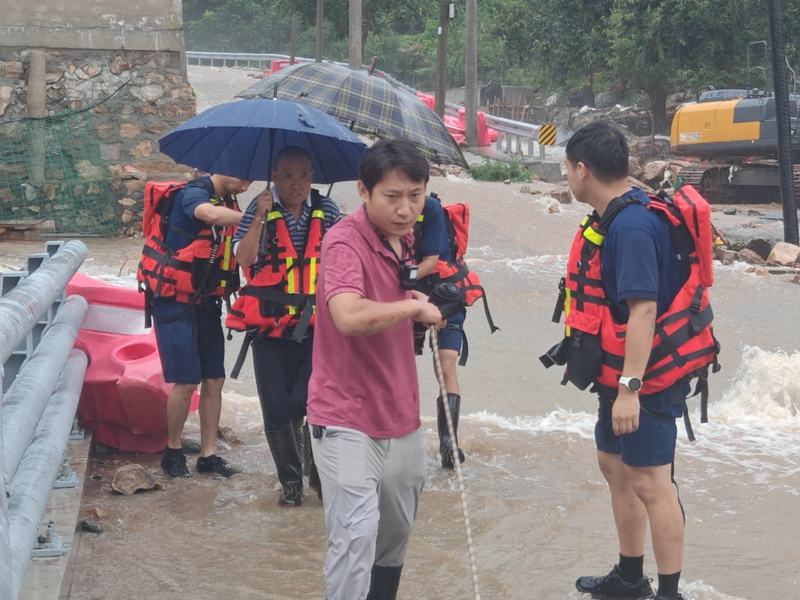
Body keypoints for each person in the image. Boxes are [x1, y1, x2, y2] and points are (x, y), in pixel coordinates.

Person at [544, 121, 718, 600]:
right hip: (618, 373)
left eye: (567, 167)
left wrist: (629, 390)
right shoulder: (615, 213)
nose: (566, 175)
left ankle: (669, 593)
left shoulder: (634, 227)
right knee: (615, 467)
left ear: (582, 169)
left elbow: (643, 313)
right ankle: (628, 577)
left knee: (651, 482)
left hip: (647, 379)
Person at [306, 139, 442, 600]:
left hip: (399, 412)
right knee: (354, 535)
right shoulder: (344, 241)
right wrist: (410, 309)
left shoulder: (403, 239)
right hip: (344, 415)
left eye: (416, 195)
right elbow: (347, 316)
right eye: (392, 197)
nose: (406, 209)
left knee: (395, 534)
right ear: (363, 192)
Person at [227, 146, 341, 507]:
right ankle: (292, 486)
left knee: (309, 403)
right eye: (288, 176)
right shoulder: (257, 208)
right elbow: (243, 258)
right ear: (274, 176)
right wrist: (259, 216)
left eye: (303, 176)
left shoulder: (330, 211)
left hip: (317, 328)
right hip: (270, 329)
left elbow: (347, 257)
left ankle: (320, 481)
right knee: (276, 408)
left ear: (312, 177)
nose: (297, 184)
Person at [137, 173, 249, 478]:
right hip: (173, 301)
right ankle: (172, 451)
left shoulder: (228, 199)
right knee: (186, 382)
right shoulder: (191, 194)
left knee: (214, 379)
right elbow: (207, 215)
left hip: (206, 300)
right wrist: (253, 216)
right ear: (225, 169)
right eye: (244, 178)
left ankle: (208, 455)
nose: (247, 185)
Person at [414, 195, 467, 469]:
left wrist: (400, 277)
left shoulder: (431, 208)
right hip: (413, 296)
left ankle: (448, 443)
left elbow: (431, 262)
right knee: (403, 366)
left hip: (444, 297)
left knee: (445, 368)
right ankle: (448, 444)